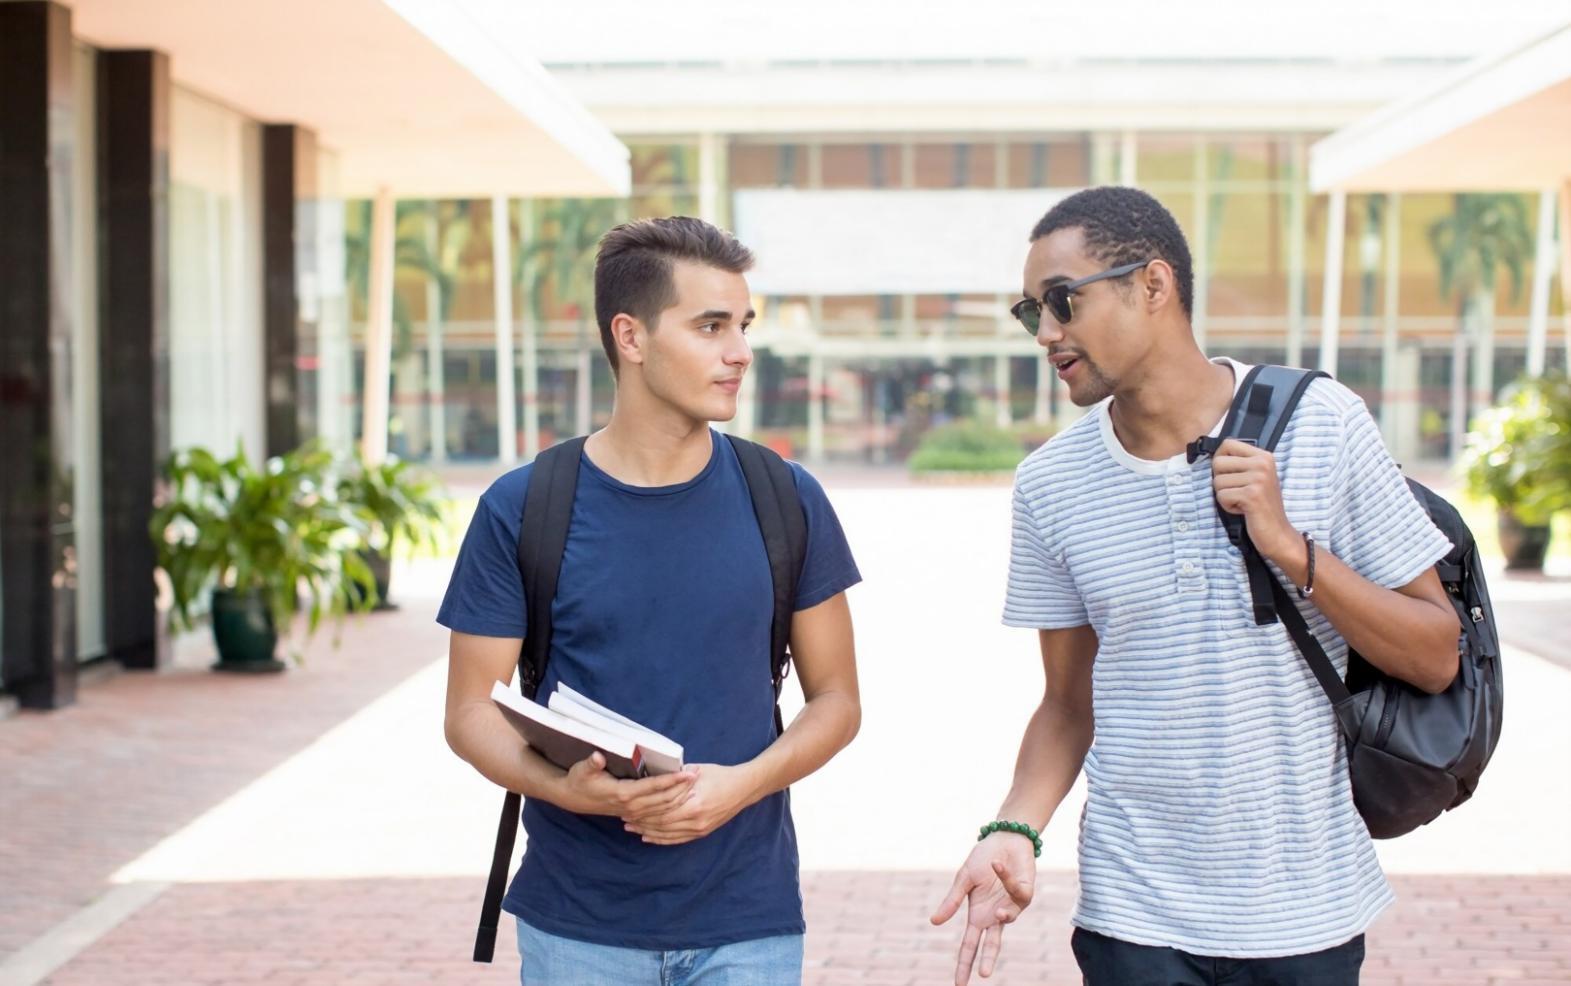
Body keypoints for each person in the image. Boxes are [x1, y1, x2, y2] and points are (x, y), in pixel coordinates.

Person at [931, 186, 1460, 986]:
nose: (1044, 332)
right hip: (1132, 913)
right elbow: (1068, 703)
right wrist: (1013, 828)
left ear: (1152, 285)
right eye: (1029, 311)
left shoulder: (1322, 422)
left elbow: (1435, 654)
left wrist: (1287, 547)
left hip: (1304, 910)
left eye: (1062, 301)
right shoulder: (1050, 485)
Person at [442, 216, 862, 985]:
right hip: (578, 928)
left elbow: (836, 701)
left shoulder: (786, 498)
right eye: (709, 327)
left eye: (743, 326)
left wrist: (743, 783)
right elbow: (469, 713)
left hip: (748, 921)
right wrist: (567, 789)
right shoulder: (524, 506)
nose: (739, 351)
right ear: (630, 338)